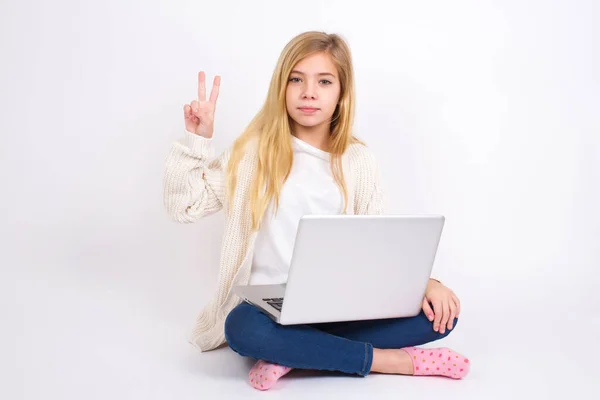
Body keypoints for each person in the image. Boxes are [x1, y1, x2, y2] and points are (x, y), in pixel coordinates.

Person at [163, 31, 469, 390]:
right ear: (282, 87)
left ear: (341, 94)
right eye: (297, 79)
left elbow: (380, 247)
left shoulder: (358, 160)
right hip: (269, 309)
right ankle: (387, 361)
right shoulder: (252, 153)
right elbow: (185, 207)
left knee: (439, 318)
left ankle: (292, 355)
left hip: (339, 305)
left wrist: (429, 283)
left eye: (324, 81)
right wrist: (197, 140)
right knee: (241, 329)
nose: (309, 92)